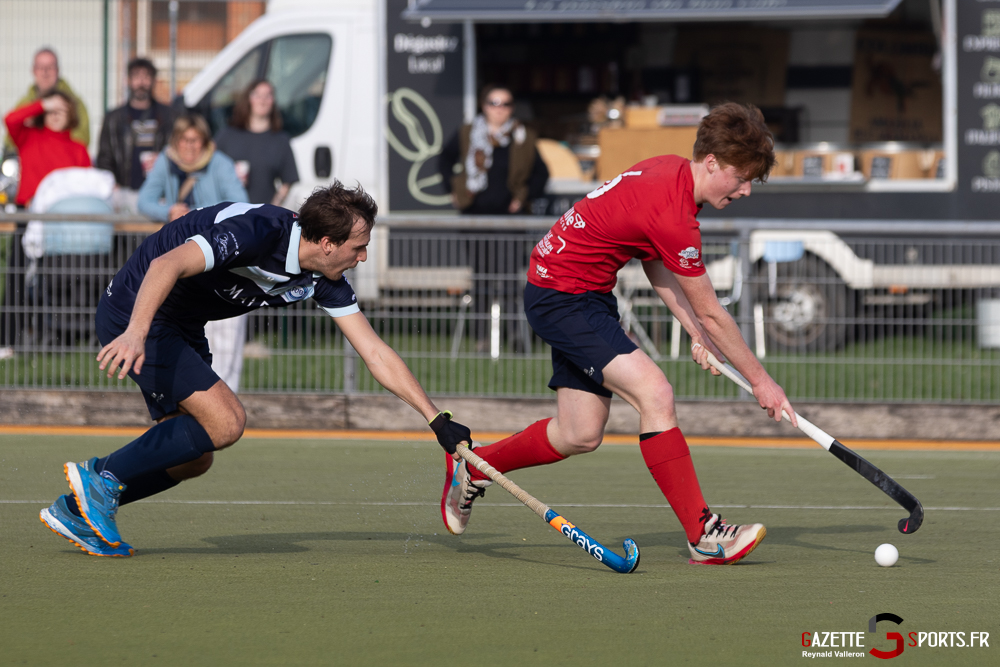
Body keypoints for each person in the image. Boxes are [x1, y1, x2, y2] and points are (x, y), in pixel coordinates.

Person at [441, 102, 798, 566]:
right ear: (712, 162)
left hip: (578, 293)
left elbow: (654, 260)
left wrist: (694, 332)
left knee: (580, 432)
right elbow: (713, 312)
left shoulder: (670, 172)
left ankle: (474, 466)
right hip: (564, 296)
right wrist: (761, 381)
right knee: (656, 393)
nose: (746, 190)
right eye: (741, 177)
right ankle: (704, 534)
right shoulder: (675, 214)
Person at [38, 182, 474, 557]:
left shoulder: (322, 277)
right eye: (358, 247)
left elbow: (374, 351)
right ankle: (101, 477)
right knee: (226, 422)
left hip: (181, 324)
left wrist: (435, 419)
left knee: (195, 458)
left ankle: (77, 511)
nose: (362, 257)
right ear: (327, 243)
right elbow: (165, 264)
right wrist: (136, 332)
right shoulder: (258, 232)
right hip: (139, 310)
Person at [138, 113, 249, 391]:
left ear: (205, 141)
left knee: (225, 330)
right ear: (176, 141)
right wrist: (169, 211)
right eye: (184, 140)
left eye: (196, 140)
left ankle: (227, 392)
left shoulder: (220, 163)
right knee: (186, 328)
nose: (190, 147)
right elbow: (144, 200)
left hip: (218, 254)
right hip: (181, 255)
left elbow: (240, 203)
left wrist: (199, 215)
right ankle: (193, 393)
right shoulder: (166, 161)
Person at [438, 86, 549, 351]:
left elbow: (541, 174)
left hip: (510, 221)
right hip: (474, 218)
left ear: (512, 108)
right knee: (482, 278)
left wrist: (523, 197)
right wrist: (453, 190)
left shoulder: (523, 136)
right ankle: (482, 339)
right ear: (484, 105)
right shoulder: (469, 132)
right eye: (493, 102)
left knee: (510, 278)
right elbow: (444, 159)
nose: (499, 108)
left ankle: (516, 337)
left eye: (506, 103)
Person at [96, 57, 173, 213]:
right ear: (127, 81)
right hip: (124, 192)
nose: (141, 82)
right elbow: (104, 157)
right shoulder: (113, 118)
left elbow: (177, 150)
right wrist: (112, 184)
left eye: (146, 77)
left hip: (159, 194)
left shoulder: (168, 116)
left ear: (153, 81)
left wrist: (163, 159)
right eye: (136, 76)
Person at [214, 79, 299, 207]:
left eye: (268, 95)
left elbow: (288, 181)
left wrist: (271, 208)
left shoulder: (281, 139)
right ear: (248, 99)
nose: (262, 100)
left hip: (262, 214)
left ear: (273, 101)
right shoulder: (227, 135)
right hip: (230, 212)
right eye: (257, 95)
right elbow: (208, 168)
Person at [4, 91, 91, 207]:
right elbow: (10, 120)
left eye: (61, 110)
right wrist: (43, 104)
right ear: (43, 114)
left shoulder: (79, 149)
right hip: (28, 208)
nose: (55, 115)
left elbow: (87, 185)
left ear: (70, 114)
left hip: (65, 209)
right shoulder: (29, 137)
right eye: (50, 111)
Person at [4, 47, 90, 153]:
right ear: (33, 71)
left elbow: (82, 139)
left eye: (50, 67)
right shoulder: (25, 103)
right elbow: (10, 137)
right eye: (40, 67)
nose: (45, 72)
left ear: (57, 70)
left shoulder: (73, 102)